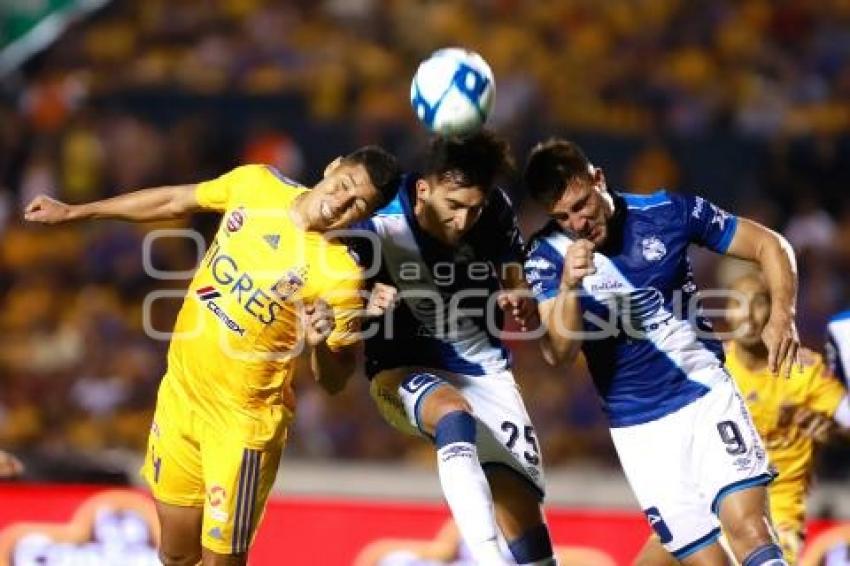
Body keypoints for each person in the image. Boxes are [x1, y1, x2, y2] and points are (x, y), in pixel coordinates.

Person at [23, 147, 401, 566]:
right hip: (180, 397)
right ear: (332, 167)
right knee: (175, 553)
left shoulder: (341, 275)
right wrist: (77, 212)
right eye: (345, 186)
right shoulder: (256, 184)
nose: (342, 202)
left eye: (358, 205)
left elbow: (333, 380)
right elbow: (173, 200)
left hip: (241, 426)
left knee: (221, 561)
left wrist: (319, 342)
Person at [523, 138, 801, 566]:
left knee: (750, 531)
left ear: (598, 179)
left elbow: (770, 245)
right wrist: (568, 288)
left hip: (705, 397)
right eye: (562, 216)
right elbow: (557, 355)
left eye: (581, 205)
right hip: (640, 432)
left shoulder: (667, 212)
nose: (577, 222)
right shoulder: (545, 255)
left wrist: (782, 314)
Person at [352, 130, 555, 565]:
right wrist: (363, 304)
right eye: (454, 206)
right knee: (451, 410)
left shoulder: (495, 211)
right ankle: (486, 559)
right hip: (402, 371)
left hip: (485, 371)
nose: (463, 221)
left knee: (524, 516)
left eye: (473, 208)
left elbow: (514, 274)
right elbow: (338, 303)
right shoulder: (377, 225)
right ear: (423, 189)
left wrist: (522, 297)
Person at [634, 271, 850, 565]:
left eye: (758, 303)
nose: (748, 315)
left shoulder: (802, 369)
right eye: (739, 303)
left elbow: (845, 422)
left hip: (776, 516)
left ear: (774, 311)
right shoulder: (709, 365)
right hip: (710, 507)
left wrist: (833, 434)